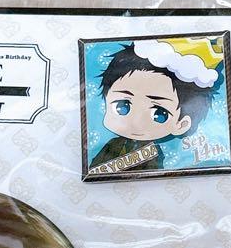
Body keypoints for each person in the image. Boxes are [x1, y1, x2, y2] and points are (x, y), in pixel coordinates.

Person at [88, 38, 222, 174]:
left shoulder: (152, 152)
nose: (137, 121)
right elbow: (95, 170)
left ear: (181, 124)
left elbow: (152, 175)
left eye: (159, 114)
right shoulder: (112, 145)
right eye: (123, 106)